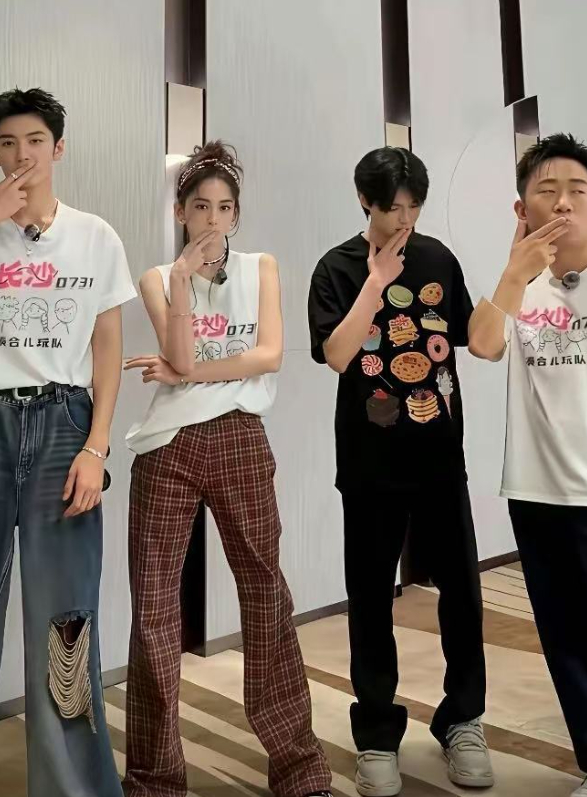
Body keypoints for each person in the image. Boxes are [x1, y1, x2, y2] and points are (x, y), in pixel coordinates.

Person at [123, 141, 332, 797]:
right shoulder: (157, 278)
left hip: (241, 436)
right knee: (154, 609)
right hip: (167, 447)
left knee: (266, 593)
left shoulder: (261, 268)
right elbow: (181, 355)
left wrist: (191, 372)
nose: (212, 219)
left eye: (223, 208)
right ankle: (154, 779)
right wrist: (183, 283)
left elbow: (267, 355)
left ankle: (299, 768)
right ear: (180, 212)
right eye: (200, 207)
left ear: (236, 214)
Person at [308, 146, 493, 795]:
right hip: (369, 466)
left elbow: (475, 335)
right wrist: (375, 282)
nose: (405, 220)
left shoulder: (439, 259)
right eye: (393, 208)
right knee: (369, 602)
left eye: (414, 207)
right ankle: (377, 735)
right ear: (366, 201)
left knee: (462, 598)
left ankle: (462, 719)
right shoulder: (336, 267)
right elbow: (337, 355)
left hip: (441, 460)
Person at [0, 87, 136, 796]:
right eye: (5, 144)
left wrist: (97, 446)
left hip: (63, 424)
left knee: (65, 623)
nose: (19, 155)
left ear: (57, 148)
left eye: (32, 141)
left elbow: (108, 346)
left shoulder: (94, 236)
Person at [469, 133, 587, 797]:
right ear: (523, 210)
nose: (563, 203)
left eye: (577, 190)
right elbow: (482, 344)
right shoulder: (520, 291)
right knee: (565, 641)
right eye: (547, 191)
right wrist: (514, 272)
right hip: (538, 493)